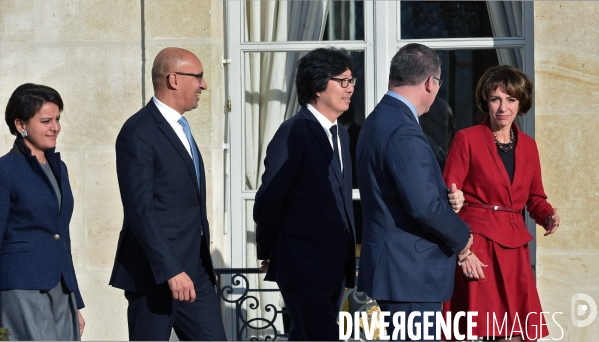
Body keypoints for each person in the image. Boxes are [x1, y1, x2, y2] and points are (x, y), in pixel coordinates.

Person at [109, 47, 226, 341]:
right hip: (155, 276)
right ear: (174, 79)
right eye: (198, 76)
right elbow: (140, 210)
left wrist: (199, 264)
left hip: (195, 272)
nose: (204, 85)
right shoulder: (138, 131)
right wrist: (170, 269)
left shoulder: (181, 128)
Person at [356, 43, 472, 340]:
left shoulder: (377, 120)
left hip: (396, 272)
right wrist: (462, 236)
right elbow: (422, 206)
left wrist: (446, 198)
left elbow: (399, 192)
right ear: (430, 83)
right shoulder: (402, 128)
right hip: (409, 276)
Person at [442, 65, 560, 341]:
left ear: (521, 102)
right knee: (475, 331)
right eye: (495, 99)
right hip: (477, 246)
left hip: (515, 247)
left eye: (511, 99)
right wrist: (462, 251)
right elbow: (448, 194)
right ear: (486, 102)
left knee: (517, 332)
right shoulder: (467, 139)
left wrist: (547, 216)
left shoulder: (529, 146)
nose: (503, 107)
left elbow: (534, 197)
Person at [254, 47, 356, 341]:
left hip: (334, 264)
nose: (350, 89)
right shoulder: (293, 132)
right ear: (317, 86)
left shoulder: (342, 134)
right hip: (303, 263)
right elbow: (269, 199)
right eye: (343, 81)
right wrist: (268, 249)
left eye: (352, 81)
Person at [0, 83, 85, 340]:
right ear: (20, 125)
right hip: (21, 286)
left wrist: (76, 300)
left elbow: (62, 236)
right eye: (46, 120)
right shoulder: (6, 169)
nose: (55, 127)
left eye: (57, 119)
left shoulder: (59, 168)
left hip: (60, 286)